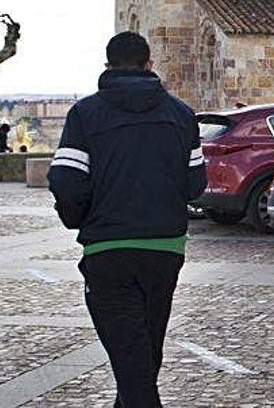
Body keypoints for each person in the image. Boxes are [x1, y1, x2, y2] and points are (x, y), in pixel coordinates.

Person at [48, 32, 207, 407]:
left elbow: (66, 181)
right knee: (142, 358)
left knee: (134, 362)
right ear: (149, 64)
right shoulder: (181, 115)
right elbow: (196, 184)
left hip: (109, 252)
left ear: (107, 66)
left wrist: (80, 219)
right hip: (165, 252)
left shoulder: (85, 115)